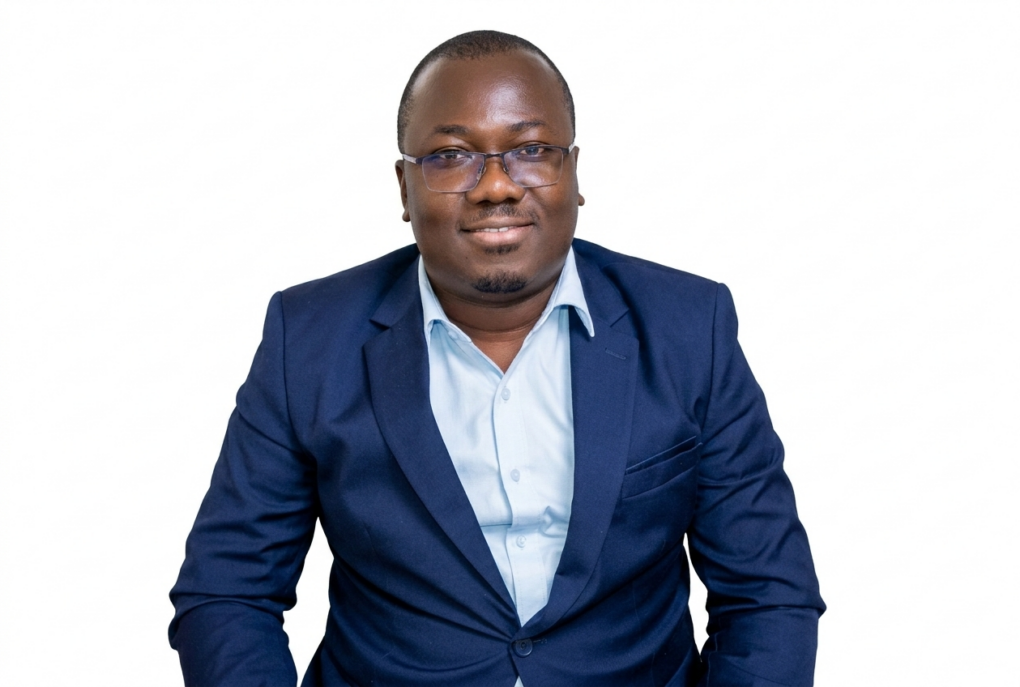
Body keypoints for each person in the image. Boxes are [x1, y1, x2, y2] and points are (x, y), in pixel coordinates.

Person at [169, 30, 825, 687]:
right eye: (451, 156)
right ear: (404, 188)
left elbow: (768, 592)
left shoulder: (688, 328)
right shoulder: (310, 339)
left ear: (573, 172)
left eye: (531, 150)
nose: (495, 186)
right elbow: (227, 589)